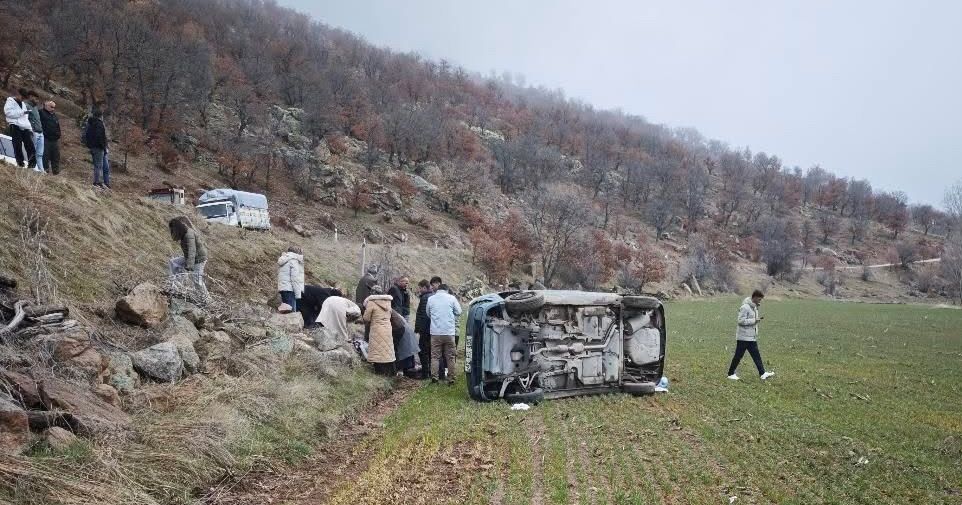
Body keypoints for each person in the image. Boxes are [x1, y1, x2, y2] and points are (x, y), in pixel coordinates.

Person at [728, 290, 775, 381]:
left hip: (751, 337)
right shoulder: (745, 307)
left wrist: (755, 320)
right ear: (755, 297)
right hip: (743, 337)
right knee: (738, 356)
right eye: (759, 299)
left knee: (756, 355)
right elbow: (740, 321)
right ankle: (730, 373)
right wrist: (754, 320)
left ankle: (762, 373)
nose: (760, 301)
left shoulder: (754, 307)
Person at [426, 283, 462, 385]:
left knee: (435, 356)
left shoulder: (431, 299)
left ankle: (435, 378)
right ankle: (451, 379)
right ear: (447, 290)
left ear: (438, 290)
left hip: (435, 332)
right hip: (449, 332)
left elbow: (428, 313)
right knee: (450, 357)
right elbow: (459, 311)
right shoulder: (451, 298)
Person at [168, 217, 209, 302]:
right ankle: (176, 284)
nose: (172, 231)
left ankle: (207, 300)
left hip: (199, 259)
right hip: (191, 258)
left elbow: (192, 251)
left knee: (197, 281)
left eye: (173, 229)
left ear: (177, 228)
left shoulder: (189, 235)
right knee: (173, 263)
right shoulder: (184, 234)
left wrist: (189, 265)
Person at [363, 290, 396, 375]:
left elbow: (366, 318)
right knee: (387, 350)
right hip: (388, 329)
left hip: (377, 329)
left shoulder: (371, 302)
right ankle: (390, 373)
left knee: (378, 352)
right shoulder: (388, 302)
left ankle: (380, 373)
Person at [3, 88, 37, 168]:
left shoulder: (24, 104)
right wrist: (22, 112)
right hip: (15, 125)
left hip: (25, 127)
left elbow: (25, 118)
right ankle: (20, 163)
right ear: (18, 95)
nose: (23, 99)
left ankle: (32, 163)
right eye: (22, 97)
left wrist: (30, 129)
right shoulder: (10, 101)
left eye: (24, 98)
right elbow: (8, 113)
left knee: (29, 145)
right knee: (17, 144)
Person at [85, 105, 110, 189]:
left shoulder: (90, 123)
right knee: (98, 166)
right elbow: (100, 137)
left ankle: (104, 182)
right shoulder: (99, 124)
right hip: (99, 148)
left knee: (103, 166)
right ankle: (97, 182)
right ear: (101, 116)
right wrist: (103, 146)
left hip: (93, 147)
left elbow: (86, 135)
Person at [413, 279, 434, 379]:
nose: (419, 290)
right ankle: (430, 371)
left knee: (423, 351)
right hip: (431, 329)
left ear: (425, 287)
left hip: (425, 329)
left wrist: (419, 329)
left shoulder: (425, 298)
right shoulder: (431, 296)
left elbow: (424, 315)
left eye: (420, 288)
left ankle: (425, 373)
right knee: (429, 350)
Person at [390, 309, 420, 377]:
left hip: (403, 332)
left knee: (404, 352)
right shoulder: (390, 309)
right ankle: (409, 370)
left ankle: (407, 371)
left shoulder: (387, 311)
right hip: (405, 332)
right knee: (408, 352)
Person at [276, 246, 305, 312]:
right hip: (290, 290)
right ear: (297, 253)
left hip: (284, 288)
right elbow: (295, 279)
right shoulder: (293, 261)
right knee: (292, 313)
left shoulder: (284, 259)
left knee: (286, 312)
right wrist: (298, 294)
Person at [38, 101, 61, 174]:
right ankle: (45, 171)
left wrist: (58, 134)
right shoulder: (41, 112)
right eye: (51, 107)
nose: (53, 109)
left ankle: (56, 172)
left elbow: (57, 126)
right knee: (45, 155)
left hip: (54, 139)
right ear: (46, 105)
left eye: (54, 107)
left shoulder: (54, 115)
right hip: (45, 138)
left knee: (56, 156)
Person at [24, 92, 43, 174]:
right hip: (33, 132)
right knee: (33, 151)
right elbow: (25, 118)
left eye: (38, 99)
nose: (37, 100)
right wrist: (30, 129)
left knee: (40, 153)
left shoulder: (35, 107)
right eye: (36, 98)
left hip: (40, 132)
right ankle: (32, 167)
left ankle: (40, 169)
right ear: (30, 96)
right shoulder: (25, 105)